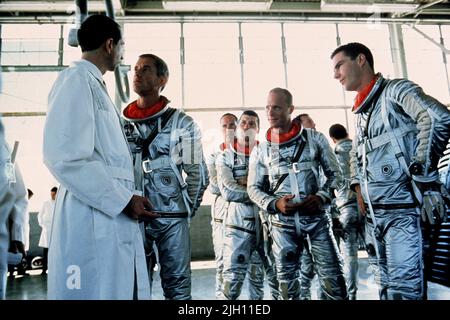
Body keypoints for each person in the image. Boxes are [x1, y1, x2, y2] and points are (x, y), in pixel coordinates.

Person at [43, 14, 156, 300]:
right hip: (91, 212)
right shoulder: (75, 80)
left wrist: (126, 196)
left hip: (105, 211)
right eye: (121, 46)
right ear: (109, 44)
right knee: (93, 290)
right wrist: (123, 199)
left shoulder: (93, 84)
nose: (122, 54)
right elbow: (65, 157)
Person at [331, 42, 450, 299]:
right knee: (386, 288)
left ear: (361, 59)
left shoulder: (395, 91)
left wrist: (423, 171)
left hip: (404, 214)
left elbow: (437, 117)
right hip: (375, 217)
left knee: (404, 292)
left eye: (339, 65)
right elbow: (356, 152)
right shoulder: (363, 112)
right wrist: (357, 186)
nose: (335, 74)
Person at [122, 53, 209, 300]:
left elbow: (198, 173)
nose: (137, 73)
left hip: (172, 219)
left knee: (178, 288)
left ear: (163, 78)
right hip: (133, 215)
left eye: (146, 69)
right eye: (136, 68)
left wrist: (184, 211)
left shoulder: (184, 123)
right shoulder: (121, 123)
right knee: (134, 287)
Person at [248, 87, 348, 300]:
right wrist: (275, 204)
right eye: (267, 107)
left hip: (317, 220)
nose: (270, 112)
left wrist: (322, 197)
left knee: (334, 280)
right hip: (282, 225)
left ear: (290, 109)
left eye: (276, 107)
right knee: (287, 287)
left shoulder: (315, 139)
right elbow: (253, 189)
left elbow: (336, 175)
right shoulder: (261, 150)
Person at [217, 110, 279, 300]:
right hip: (238, 228)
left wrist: (246, 182)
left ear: (258, 128)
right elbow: (229, 191)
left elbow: (279, 187)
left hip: (269, 226)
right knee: (230, 283)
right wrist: (259, 188)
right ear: (237, 128)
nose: (246, 126)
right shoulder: (225, 156)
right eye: (243, 122)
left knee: (277, 280)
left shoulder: (270, 153)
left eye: (252, 123)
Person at [328, 123, 362, 300]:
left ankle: (351, 295)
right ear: (347, 133)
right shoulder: (360, 148)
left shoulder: (333, 155)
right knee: (377, 252)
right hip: (367, 207)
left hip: (345, 210)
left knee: (349, 256)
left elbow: (329, 187)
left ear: (333, 139)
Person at [37, 186, 57, 275]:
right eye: (51, 194)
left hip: (56, 229)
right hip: (47, 229)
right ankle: (44, 269)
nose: (52, 196)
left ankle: (54, 269)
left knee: (55, 251)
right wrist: (43, 225)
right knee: (46, 250)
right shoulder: (46, 203)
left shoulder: (59, 203)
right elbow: (39, 215)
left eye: (54, 194)